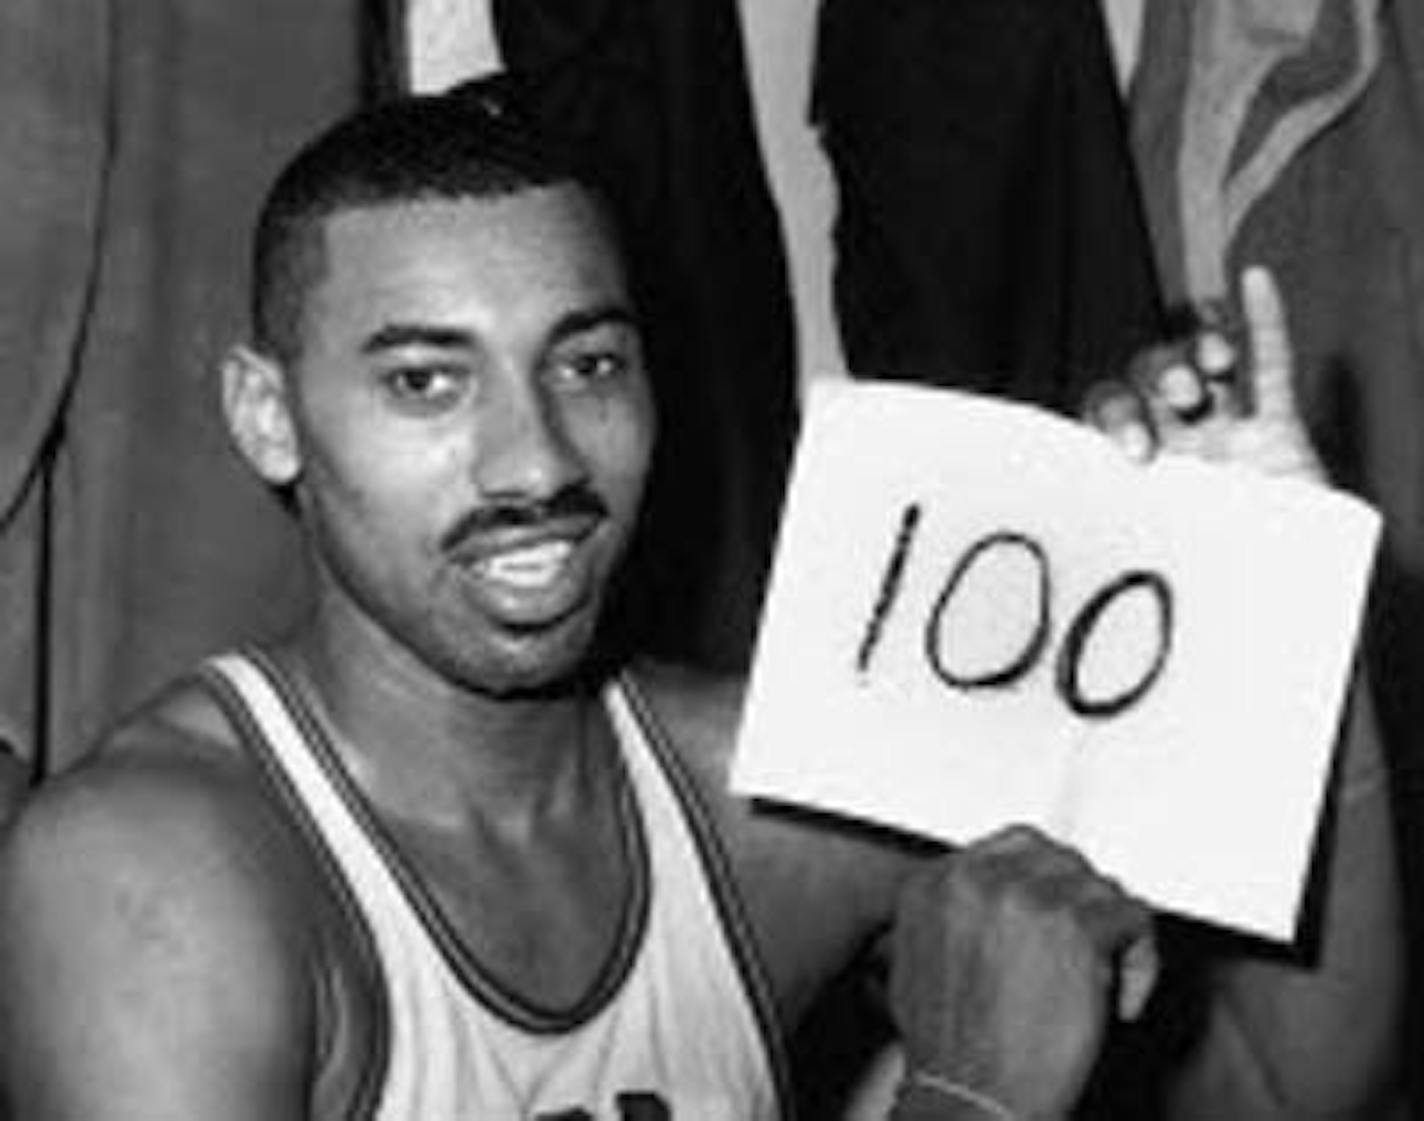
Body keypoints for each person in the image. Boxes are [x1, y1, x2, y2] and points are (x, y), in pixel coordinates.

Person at [0, 79, 1401, 1120]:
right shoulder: (158, 881)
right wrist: (965, 1105)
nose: (536, 456)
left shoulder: (762, 789)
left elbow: (1283, 1087)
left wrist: (1282, 631)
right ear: (269, 413)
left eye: (588, 363)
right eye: (427, 379)